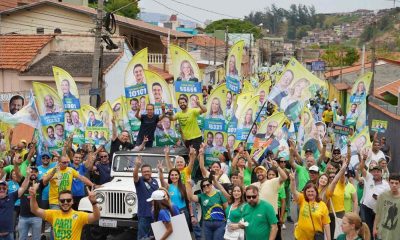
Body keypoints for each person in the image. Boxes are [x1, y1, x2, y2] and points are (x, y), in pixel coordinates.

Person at [29, 187, 100, 240]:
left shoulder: (79, 215)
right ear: (58, 202)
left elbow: (96, 217)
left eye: (68, 200)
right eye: (62, 201)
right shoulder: (53, 214)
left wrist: (93, 202)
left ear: (72, 201)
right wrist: (33, 196)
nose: (65, 203)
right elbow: (35, 210)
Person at [290, 174, 331, 240]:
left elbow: (326, 224)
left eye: (312, 191)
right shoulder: (302, 199)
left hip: (314, 237)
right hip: (300, 236)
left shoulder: (322, 205)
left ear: (316, 192)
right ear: (305, 192)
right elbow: (294, 191)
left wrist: (329, 239)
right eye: (308, 191)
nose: (310, 193)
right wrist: (292, 180)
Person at [358, 151, 390, 238]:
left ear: (382, 172)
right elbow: (361, 168)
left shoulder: (386, 184)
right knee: (366, 228)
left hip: (378, 211)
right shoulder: (369, 178)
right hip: (366, 207)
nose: (376, 173)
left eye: (378, 171)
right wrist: (364, 159)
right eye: (374, 171)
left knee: (376, 229)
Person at [252, 163, 287, 240]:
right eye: (257, 172)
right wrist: (241, 179)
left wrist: (277, 166)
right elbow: (243, 190)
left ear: (266, 173)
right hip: (260, 216)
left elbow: (284, 177)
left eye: (261, 172)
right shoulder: (254, 185)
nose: (259, 173)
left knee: (276, 237)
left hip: (272, 216)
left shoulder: (272, 182)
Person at [0, 168, 31, 240]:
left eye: (4, 188)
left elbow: (23, 187)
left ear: (7, 188)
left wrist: (28, 176)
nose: (1, 190)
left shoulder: (11, 197)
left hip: (9, 235)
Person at [133, 156, 159, 240]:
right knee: (142, 237)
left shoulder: (155, 181)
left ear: (151, 172)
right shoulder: (139, 181)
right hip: (144, 215)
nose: (146, 173)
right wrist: (137, 166)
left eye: (148, 171)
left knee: (153, 236)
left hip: (155, 214)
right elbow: (135, 176)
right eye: (144, 172)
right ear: (141, 173)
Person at [373, 173, 400, 240]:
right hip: (382, 232)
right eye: (392, 183)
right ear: (388, 182)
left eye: (396, 183)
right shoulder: (382, 196)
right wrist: (374, 229)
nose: (394, 185)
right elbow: (378, 214)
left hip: (396, 233)